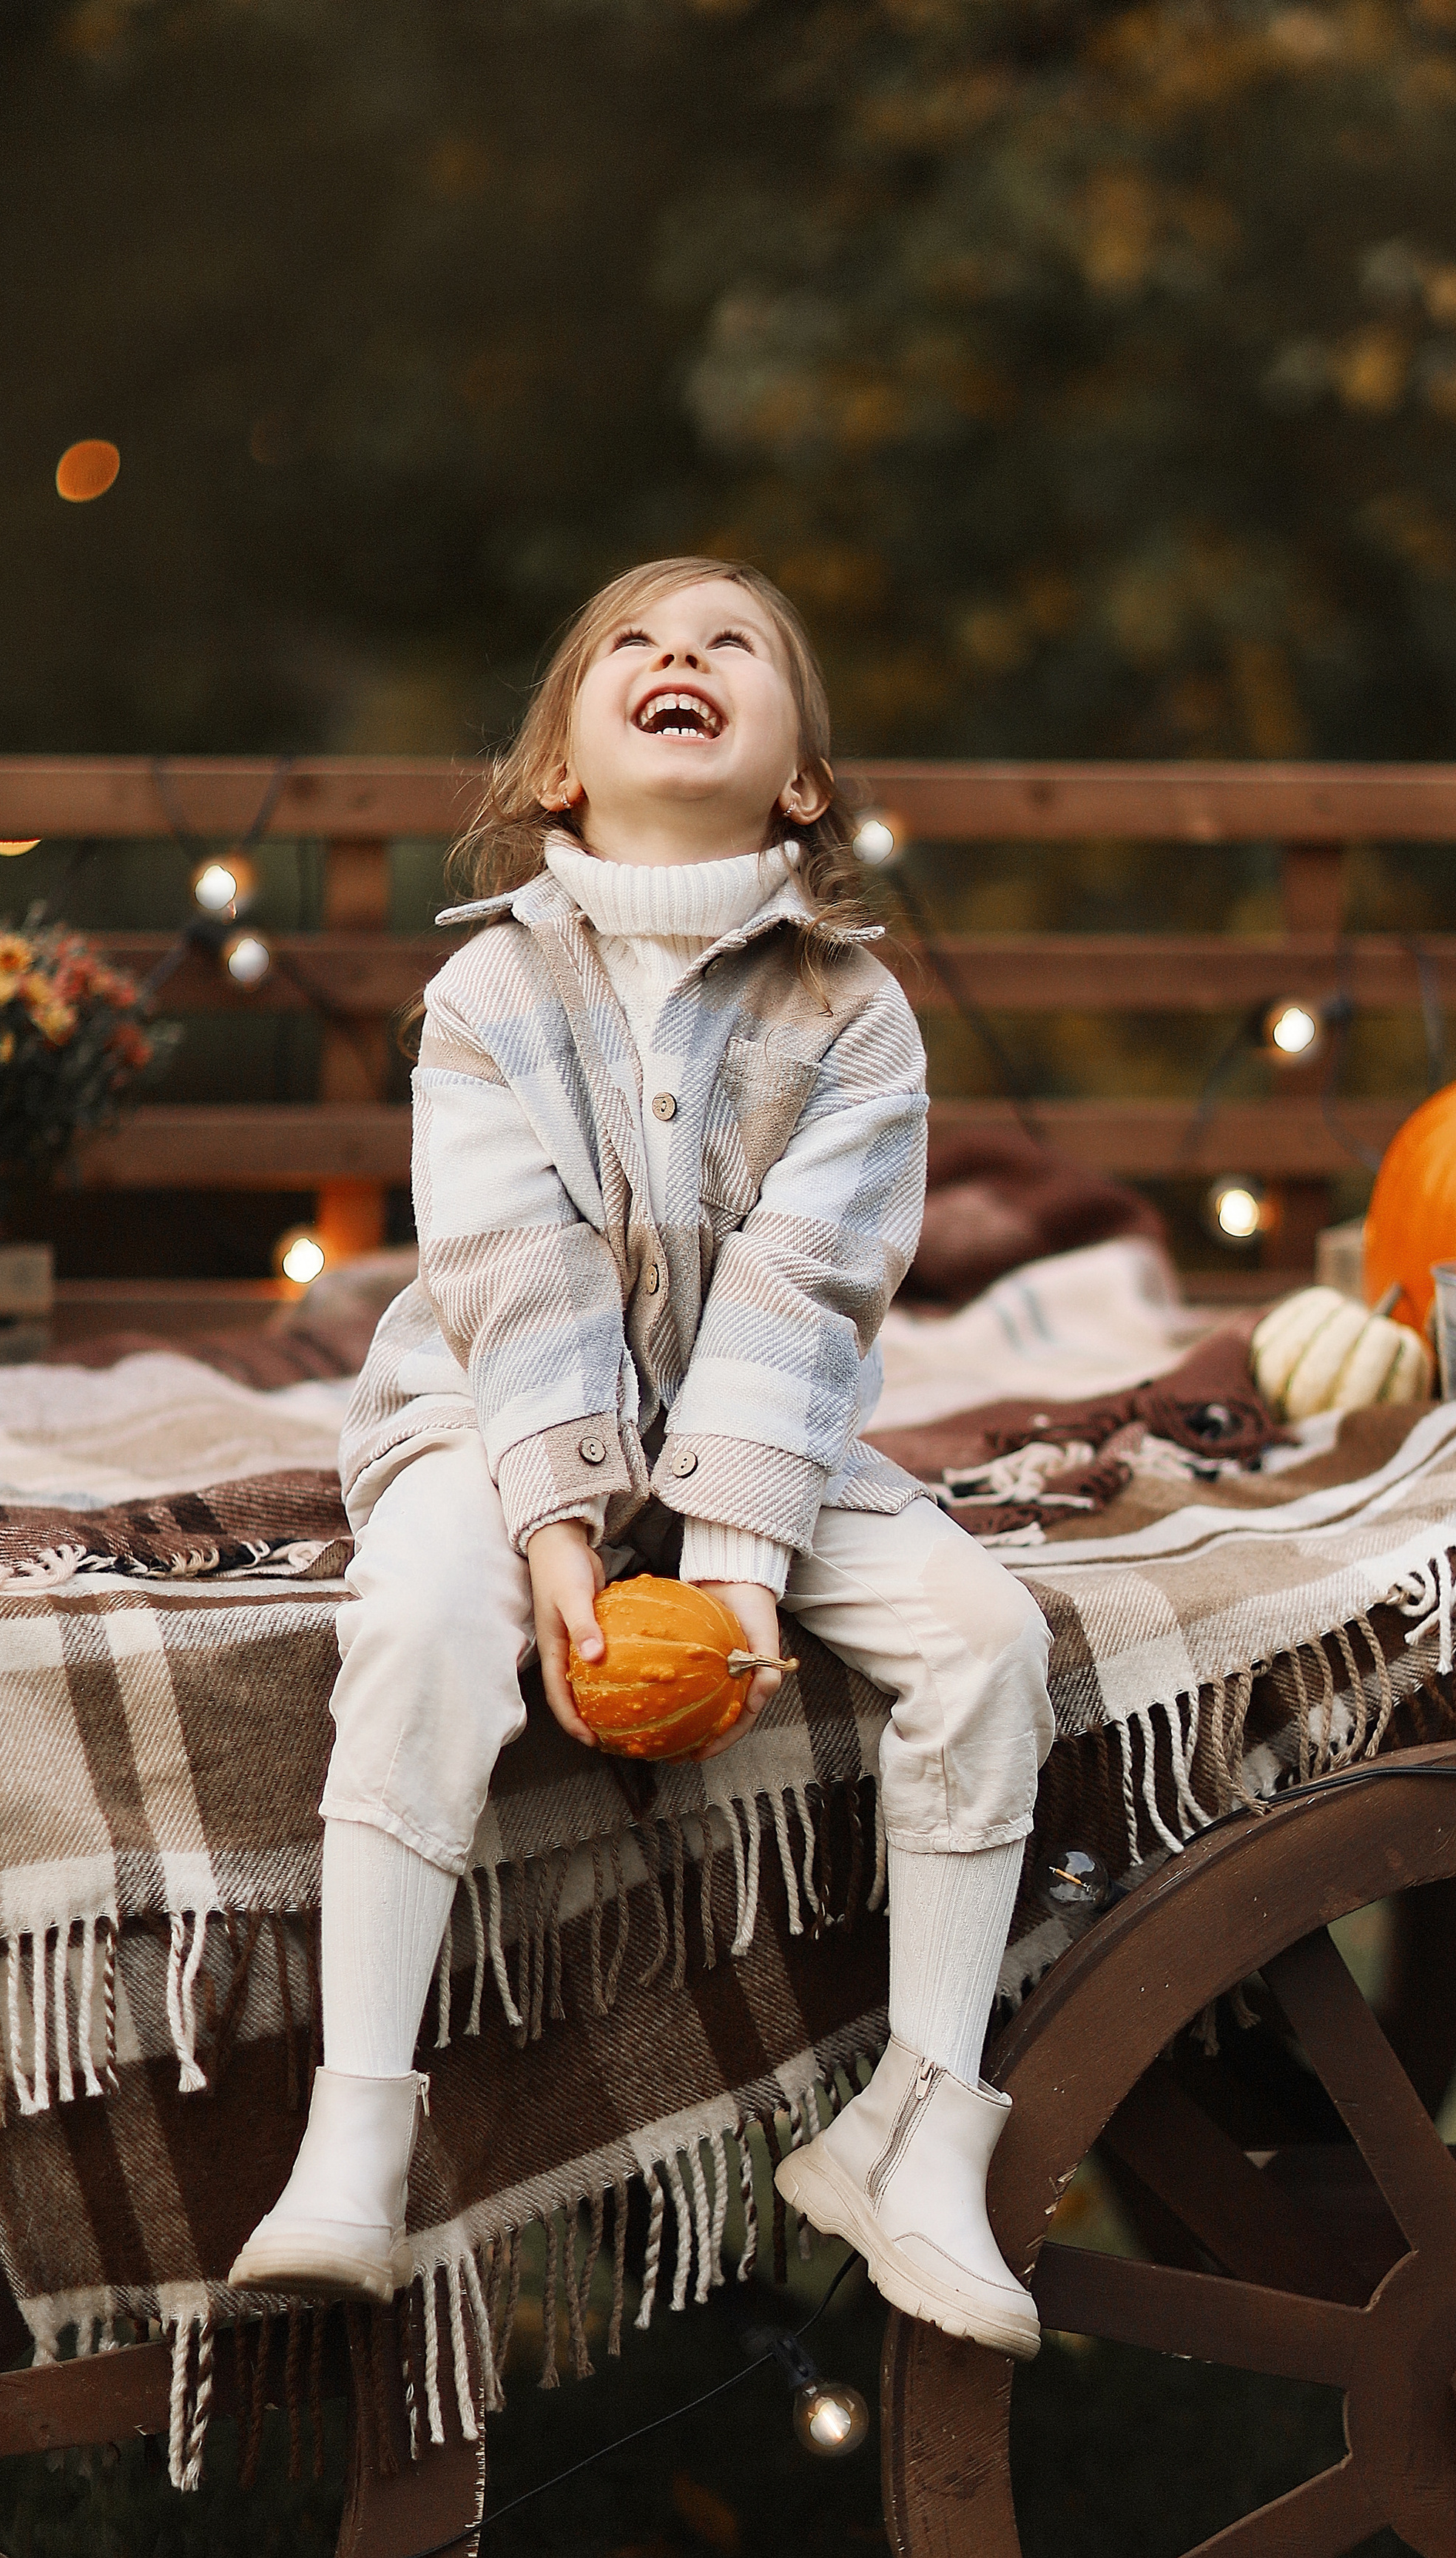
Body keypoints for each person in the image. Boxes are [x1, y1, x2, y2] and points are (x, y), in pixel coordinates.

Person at [231, 556, 1054, 2357]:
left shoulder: (850, 1019)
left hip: (762, 1433)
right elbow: (511, 1269)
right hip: (490, 1409)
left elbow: (803, 1287)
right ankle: (360, 2116)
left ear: (802, 784)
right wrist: (554, 1533)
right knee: (431, 1614)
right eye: (636, 645)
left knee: (992, 1643)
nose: (680, 657)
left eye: (729, 646)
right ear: (560, 770)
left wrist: (734, 1567)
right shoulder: (491, 1001)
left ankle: (916, 2126)